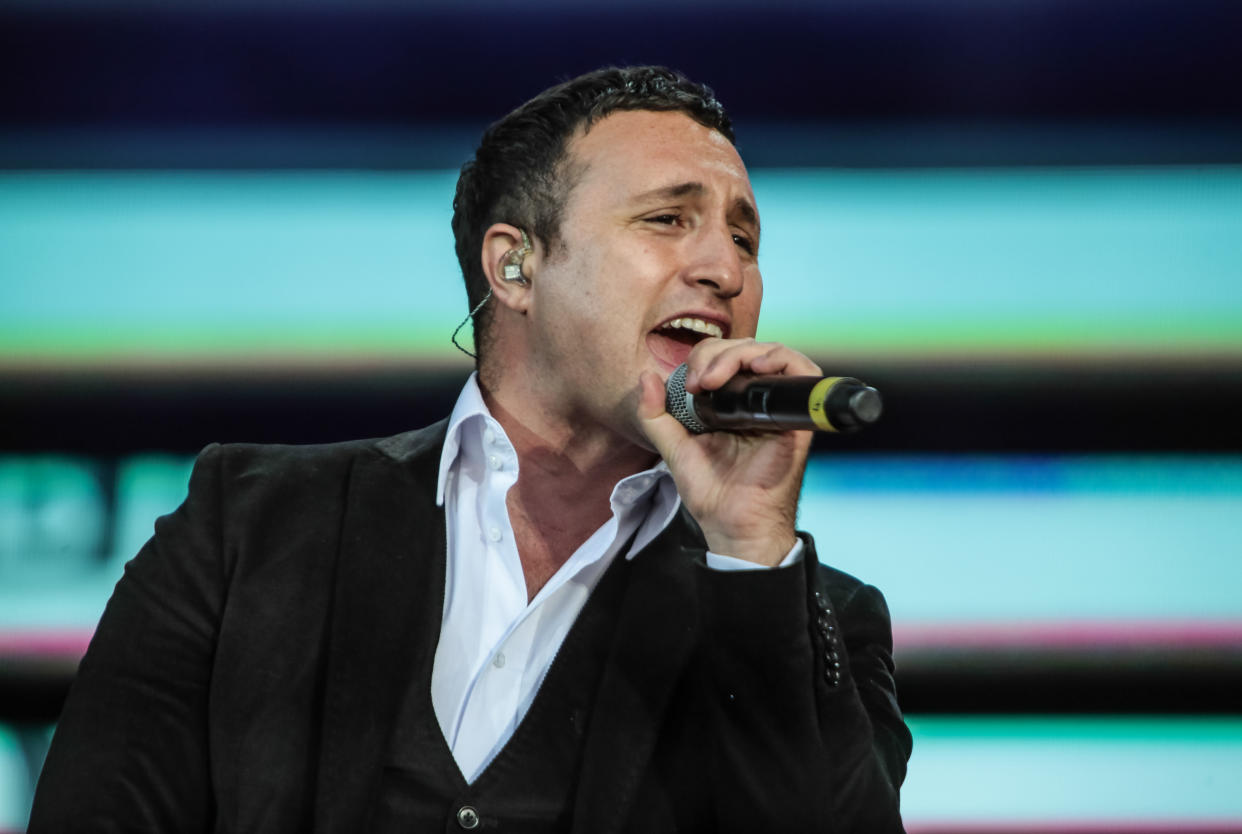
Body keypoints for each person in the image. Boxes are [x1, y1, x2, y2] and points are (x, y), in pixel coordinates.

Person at [29, 66, 911, 832]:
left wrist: (753, 554)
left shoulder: (808, 620)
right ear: (514, 266)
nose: (725, 267)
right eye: (668, 221)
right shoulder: (249, 527)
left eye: (744, 238)